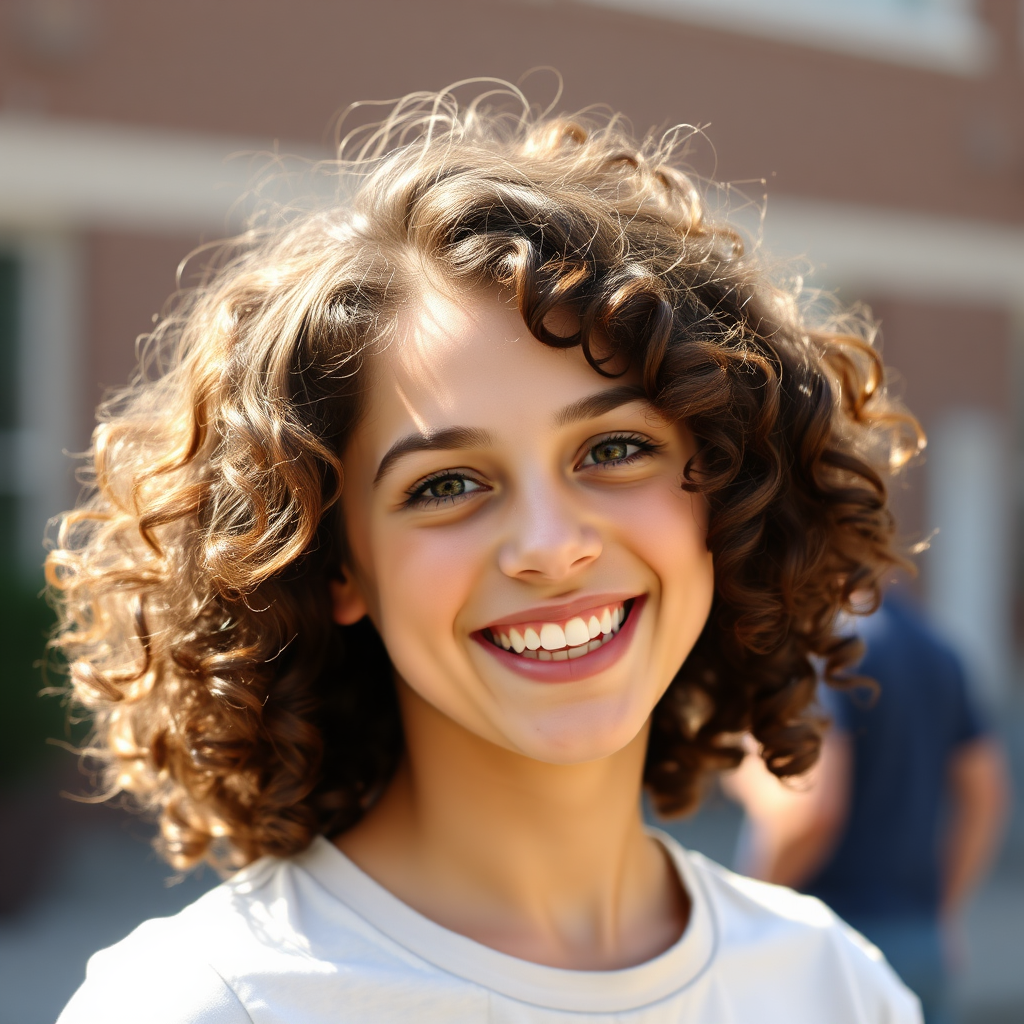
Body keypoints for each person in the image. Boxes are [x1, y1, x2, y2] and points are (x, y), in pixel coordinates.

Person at [51, 85, 925, 1023]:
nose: (551, 549)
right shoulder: (206, 1004)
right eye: (445, 485)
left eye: (615, 450)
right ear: (335, 565)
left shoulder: (835, 987)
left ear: (724, 489)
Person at [726, 596, 1010, 1024]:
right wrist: (945, 909)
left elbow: (811, 810)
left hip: (830, 948)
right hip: (919, 937)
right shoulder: (934, 646)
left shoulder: (820, 650)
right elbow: (987, 791)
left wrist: (744, 911)